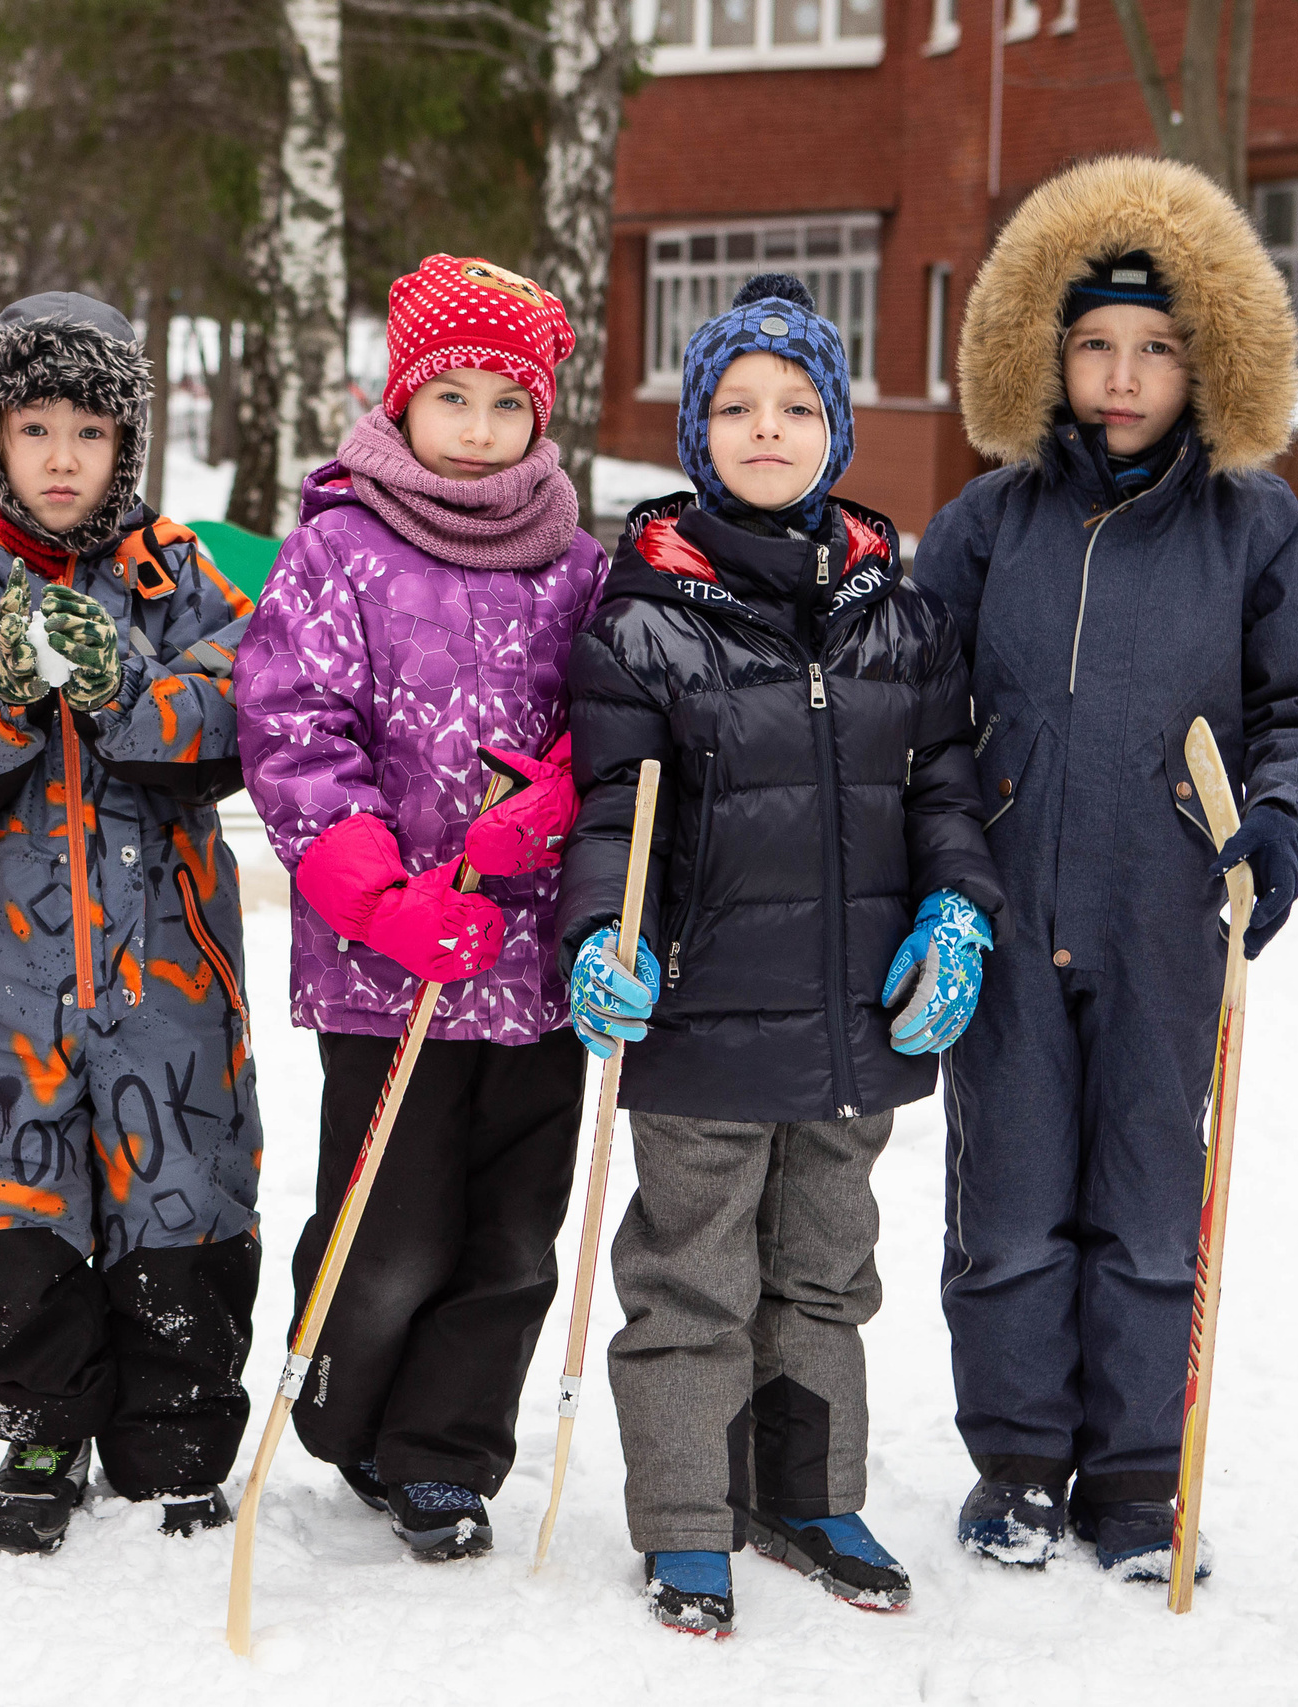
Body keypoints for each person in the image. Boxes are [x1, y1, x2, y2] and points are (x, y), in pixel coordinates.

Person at [913, 155, 1298, 1582]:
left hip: (1171, 910)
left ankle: (1141, 1480)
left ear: (1207, 357)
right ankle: (1022, 1465)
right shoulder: (989, 520)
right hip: (1007, 894)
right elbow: (917, 706)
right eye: (1094, 343)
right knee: (1012, 1197)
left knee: (1156, 1197)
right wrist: (943, 861)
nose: (1121, 375)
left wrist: (1277, 819)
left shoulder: (1256, 527)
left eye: (1156, 347)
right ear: (1043, 349)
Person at [556, 273, 1005, 1633]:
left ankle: (807, 1490)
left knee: (824, 1266)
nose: (767, 428)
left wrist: (956, 906)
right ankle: (690, 1516)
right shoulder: (642, 614)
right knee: (691, 1270)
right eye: (736, 406)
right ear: (697, 435)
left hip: (852, 1021)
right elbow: (608, 810)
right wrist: (601, 935)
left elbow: (940, 789)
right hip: (696, 1021)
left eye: (797, 404)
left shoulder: (898, 613)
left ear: (837, 431)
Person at [238, 253, 606, 1562]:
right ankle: (349, 1407)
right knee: (392, 1228)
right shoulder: (341, 548)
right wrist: (381, 896)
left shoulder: (575, 560)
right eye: (450, 397)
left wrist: (560, 797)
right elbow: (293, 728)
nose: (478, 427)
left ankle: (445, 1453)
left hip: (534, 964)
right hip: (389, 964)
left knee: (510, 1233)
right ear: (400, 402)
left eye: (506, 403)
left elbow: (614, 711)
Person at [0, 292, 259, 1554]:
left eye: (91, 431)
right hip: (1, 969)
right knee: (16, 1188)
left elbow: (234, 723)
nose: (61, 458)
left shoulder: (177, 571)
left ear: (129, 444)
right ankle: (40, 1422)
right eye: (34, 426)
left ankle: (177, 1433)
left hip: (169, 963)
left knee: (181, 1187)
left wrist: (131, 692)